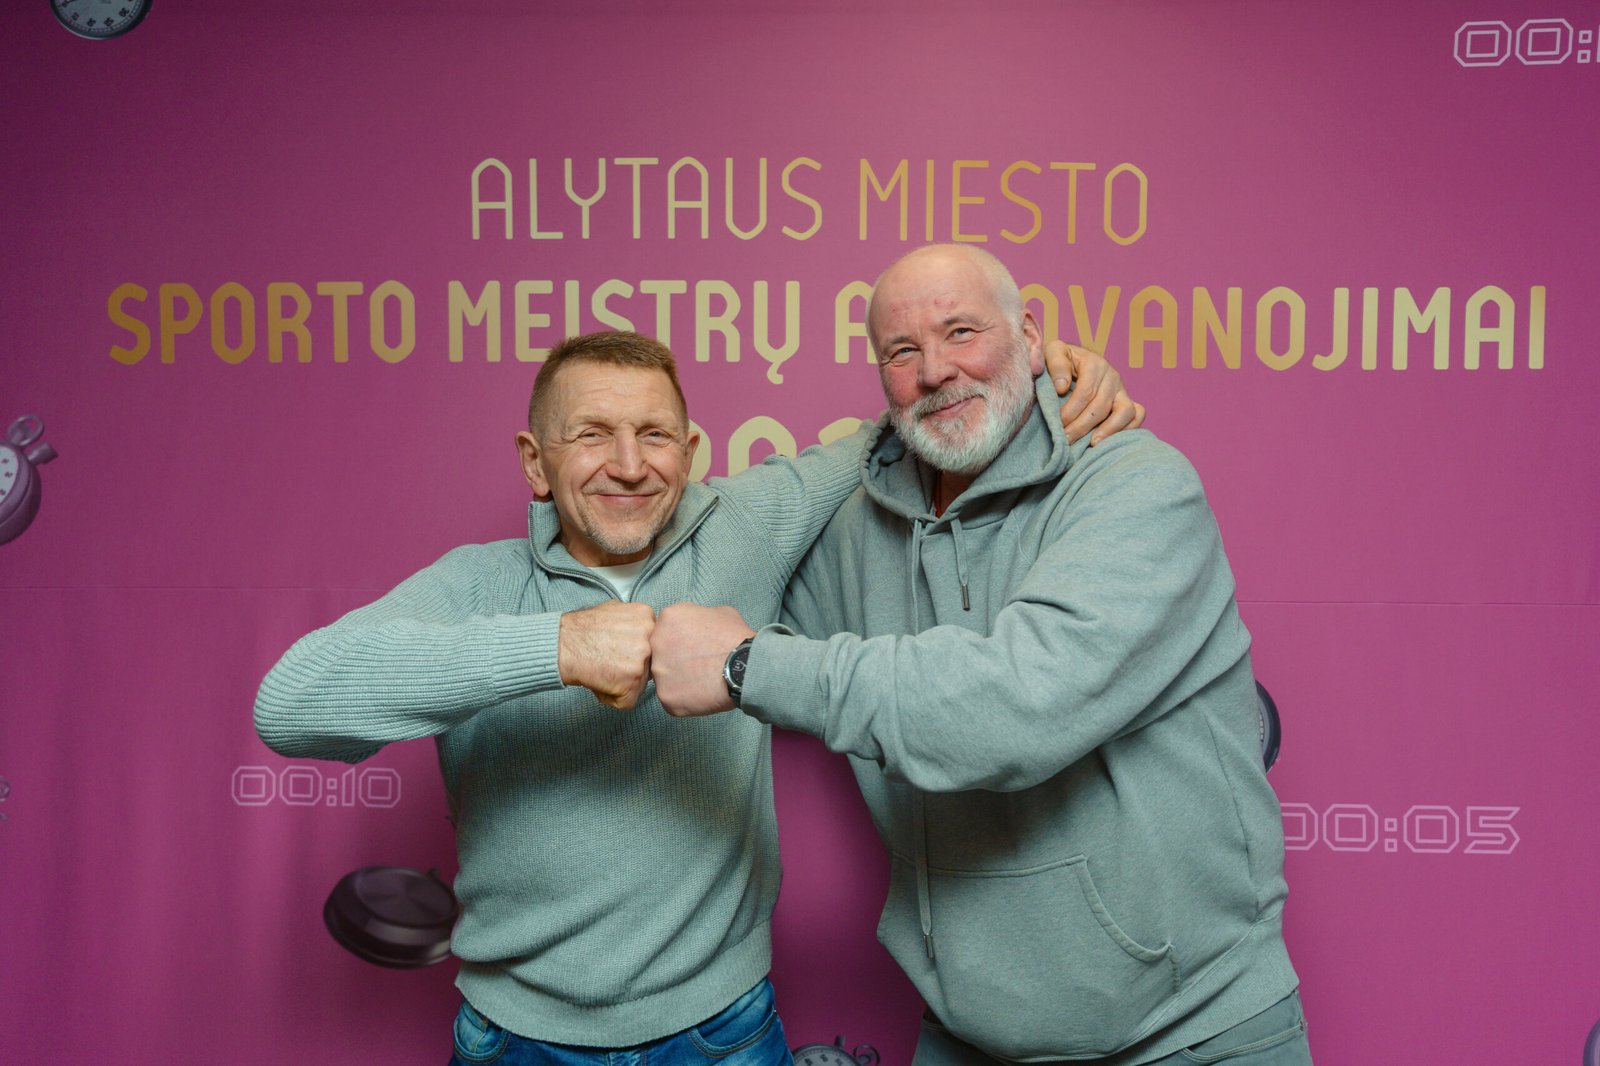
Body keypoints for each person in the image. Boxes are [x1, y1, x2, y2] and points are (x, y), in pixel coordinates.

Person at [253, 327, 1140, 1064]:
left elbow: (905, 424)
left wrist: (1041, 368)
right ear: (535, 462)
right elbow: (288, 704)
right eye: (591, 434)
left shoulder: (744, 524)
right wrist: (558, 648)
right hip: (515, 1038)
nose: (628, 465)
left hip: (719, 1033)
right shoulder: (477, 585)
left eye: (654, 435)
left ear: (690, 453)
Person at [651, 244, 1310, 1066]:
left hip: (1191, 1032)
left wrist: (748, 668)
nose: (934, 370)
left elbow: (1016, 706)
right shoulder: (855, 528)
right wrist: (872, 442)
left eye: (962, 332)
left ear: (1030, 337)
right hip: (968, 1036)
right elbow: (684, 551)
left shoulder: (1136, 485)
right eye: (901, 352)